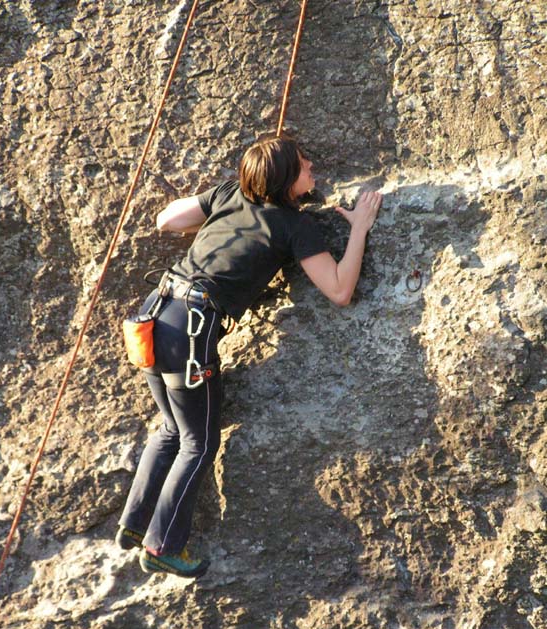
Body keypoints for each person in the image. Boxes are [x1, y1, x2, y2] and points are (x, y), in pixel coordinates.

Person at [116, 134, 382, 579]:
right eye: (302, 163)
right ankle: (161, 545)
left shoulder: (229, 192)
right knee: (199, 442)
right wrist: (358, 229)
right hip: (191, 330)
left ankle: (135, 522)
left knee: (171, 428)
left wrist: (227, 228)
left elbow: (167, 219)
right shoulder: (295, 226)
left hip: (156, 315)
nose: (312, 165)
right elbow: (339, 290)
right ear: (283, 177)